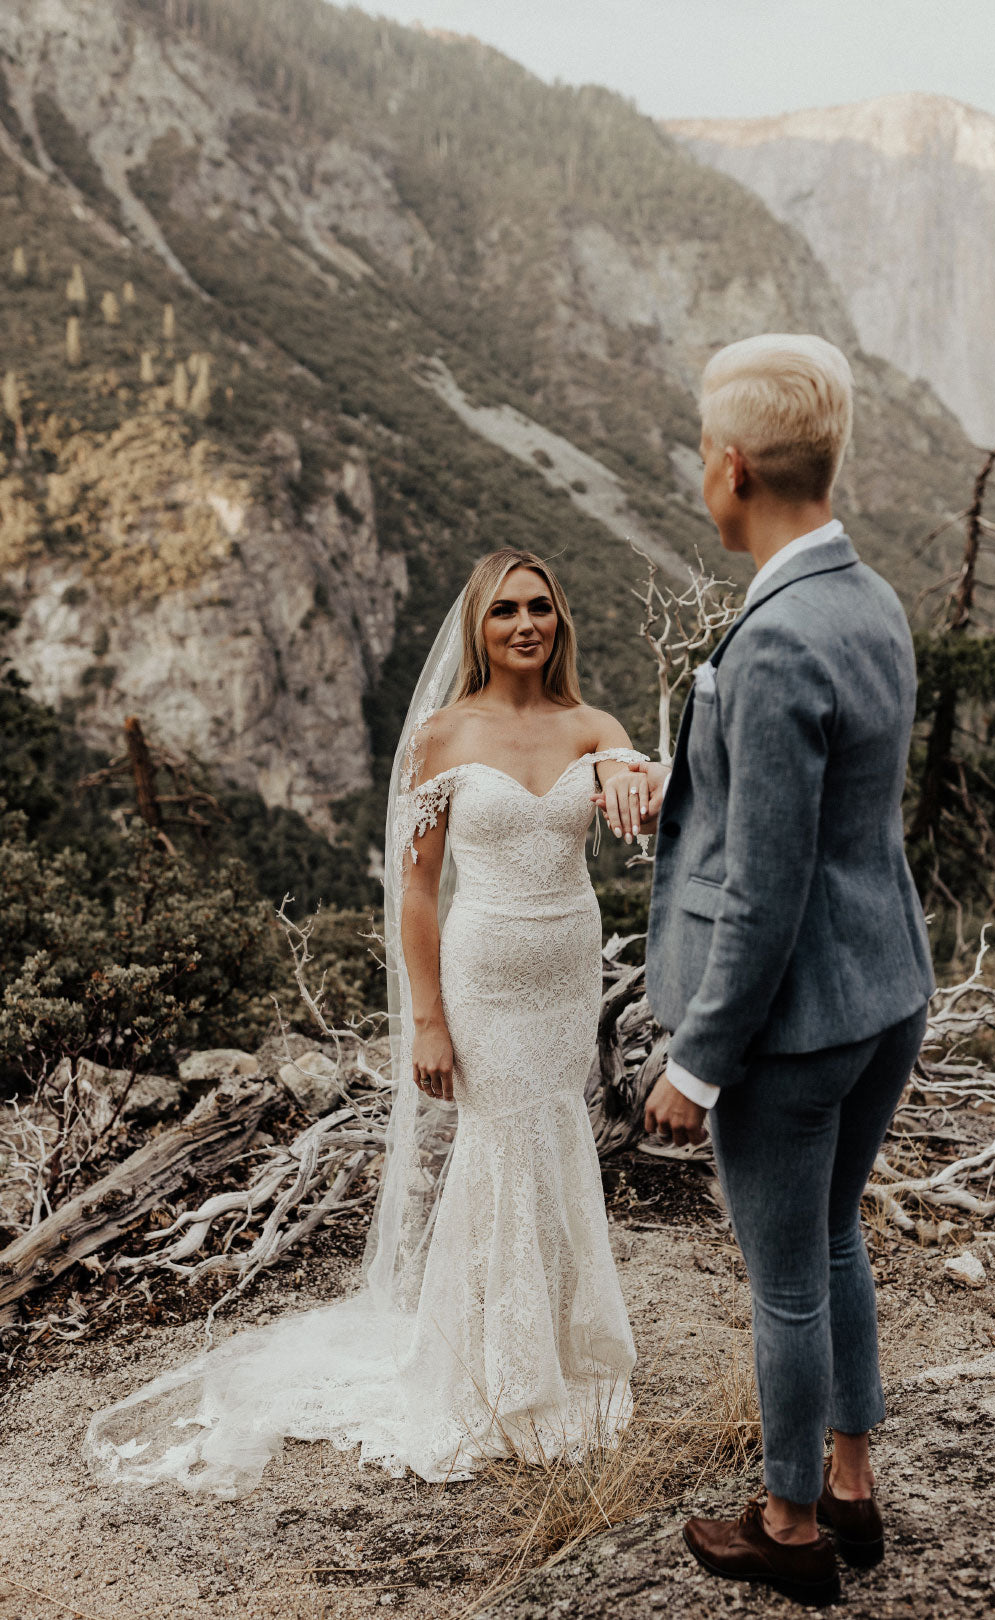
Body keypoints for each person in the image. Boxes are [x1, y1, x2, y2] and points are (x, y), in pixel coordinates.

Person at [85, 547, 642, 1495]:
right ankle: (489, 1374)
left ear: (561, 619)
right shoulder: (441, 736)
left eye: (539, 608)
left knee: (556, 1137)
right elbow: (416, 893)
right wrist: (427, 1019)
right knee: (497, 1146)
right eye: (504, 610)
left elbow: (649, 786)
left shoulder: (594, 727)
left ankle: (554, 1352)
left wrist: (642, 771)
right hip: (483, 981)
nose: (524, 626)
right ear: (478, 625)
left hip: (565, 977)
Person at [596, 333, 934, 1607]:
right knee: (835, 1236)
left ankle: (789, 1529)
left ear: (731, 469)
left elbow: (767, 889)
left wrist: (698, 1061)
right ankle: (851, 1484)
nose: (700, 471)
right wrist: (679, 781)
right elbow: (819, 809)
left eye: (700, 453)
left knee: (784, 1280)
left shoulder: (778, 638)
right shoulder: (868, 597)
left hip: (792, 1027)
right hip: (883, 987)